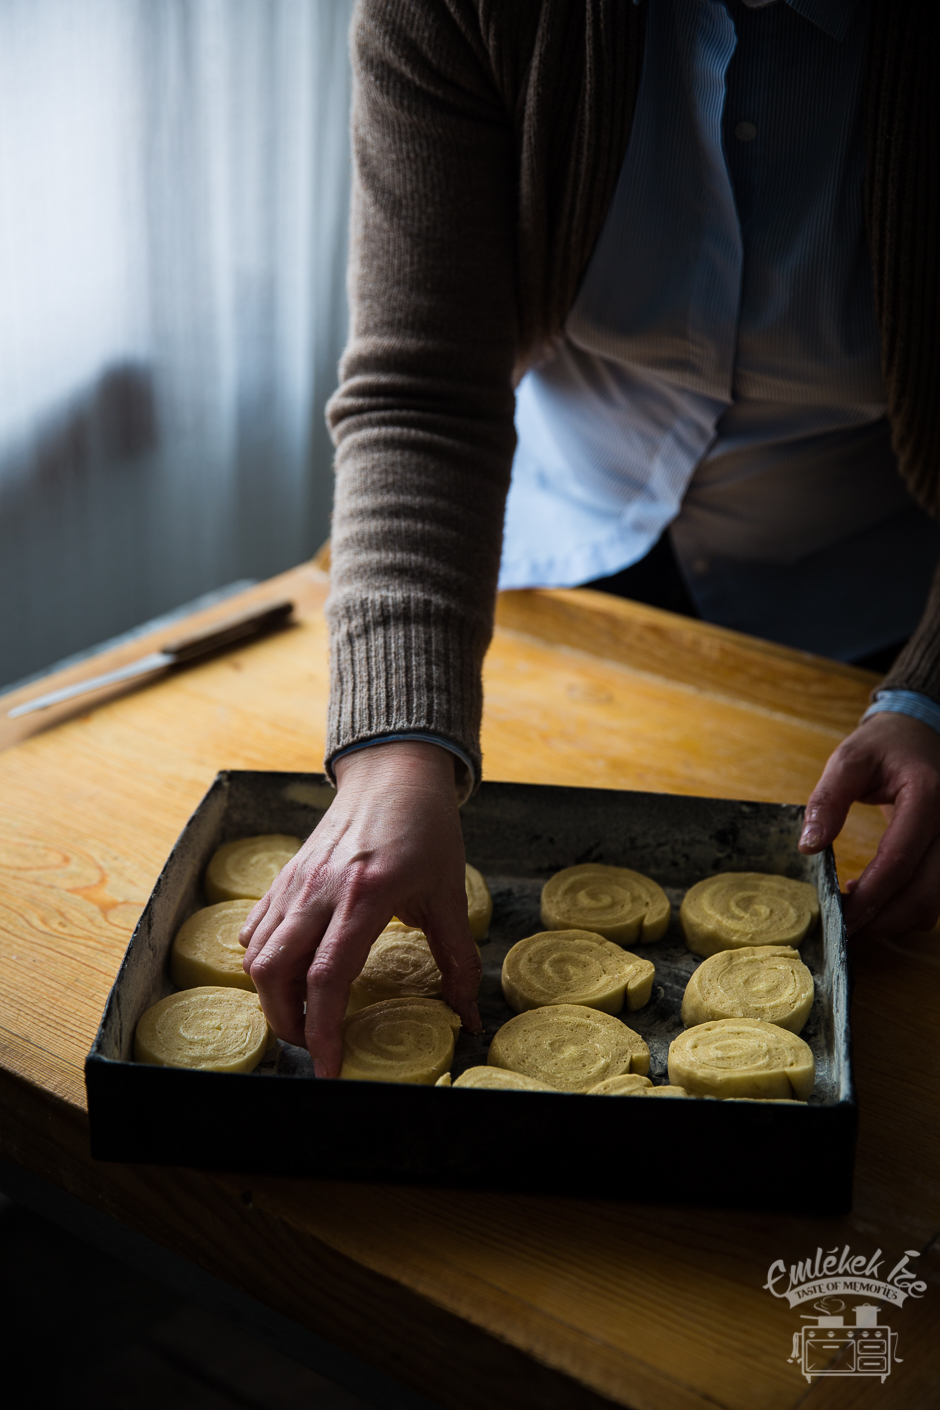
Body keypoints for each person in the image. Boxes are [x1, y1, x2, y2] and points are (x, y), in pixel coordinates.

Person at [240, 0, 940, 1076]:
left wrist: (931, 691)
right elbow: (421, 390)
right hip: (563, 584)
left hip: (879, 604)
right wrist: (393, 748)